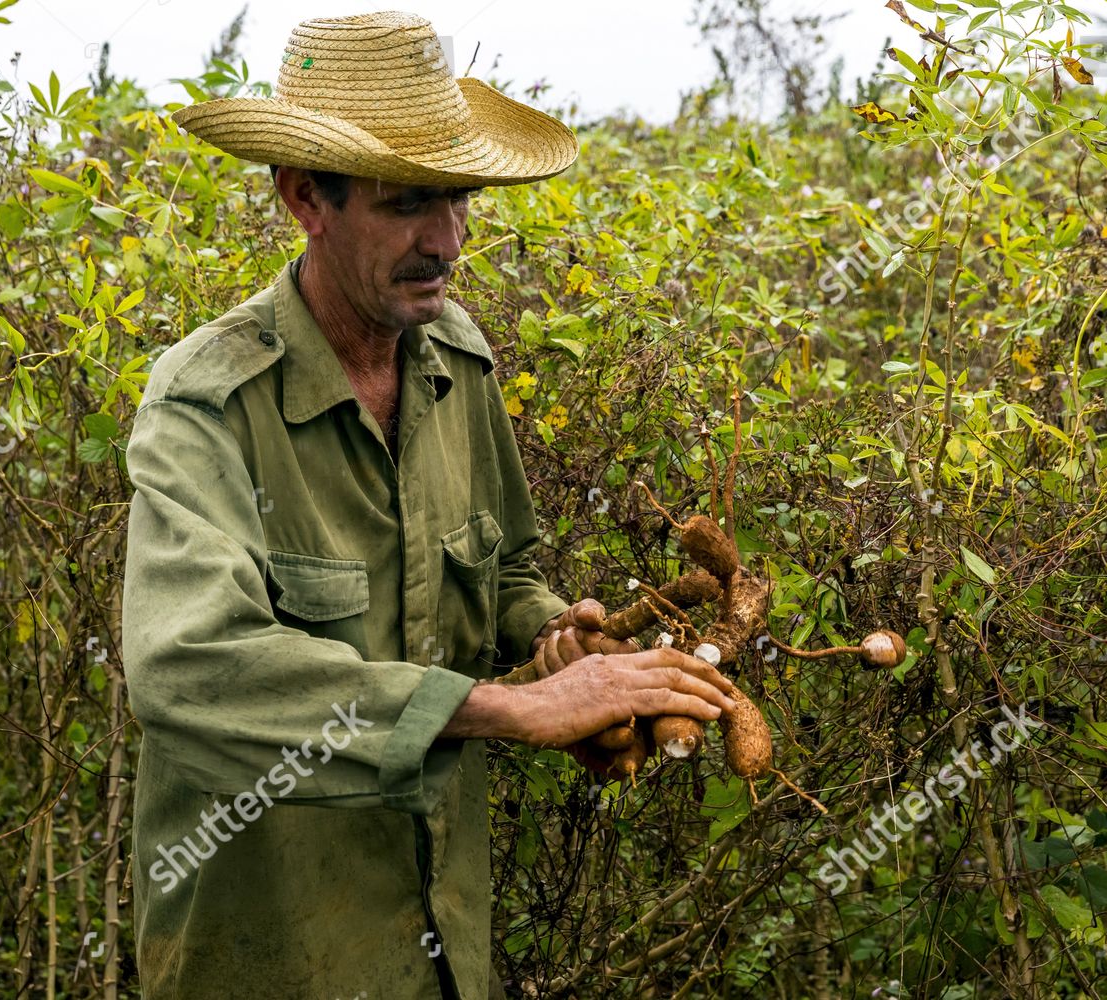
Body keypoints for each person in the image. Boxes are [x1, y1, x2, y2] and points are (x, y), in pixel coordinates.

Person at [121, 12, 735, 999]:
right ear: (303, 198)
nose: (445, 242)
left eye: (458, 200)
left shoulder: (457, 360)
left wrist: (556, 639)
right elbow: (189, 668)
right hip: (270, 955)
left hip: (445, 943)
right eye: (408, 204)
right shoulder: (209, 404)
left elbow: (504, 574)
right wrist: (516, 709)